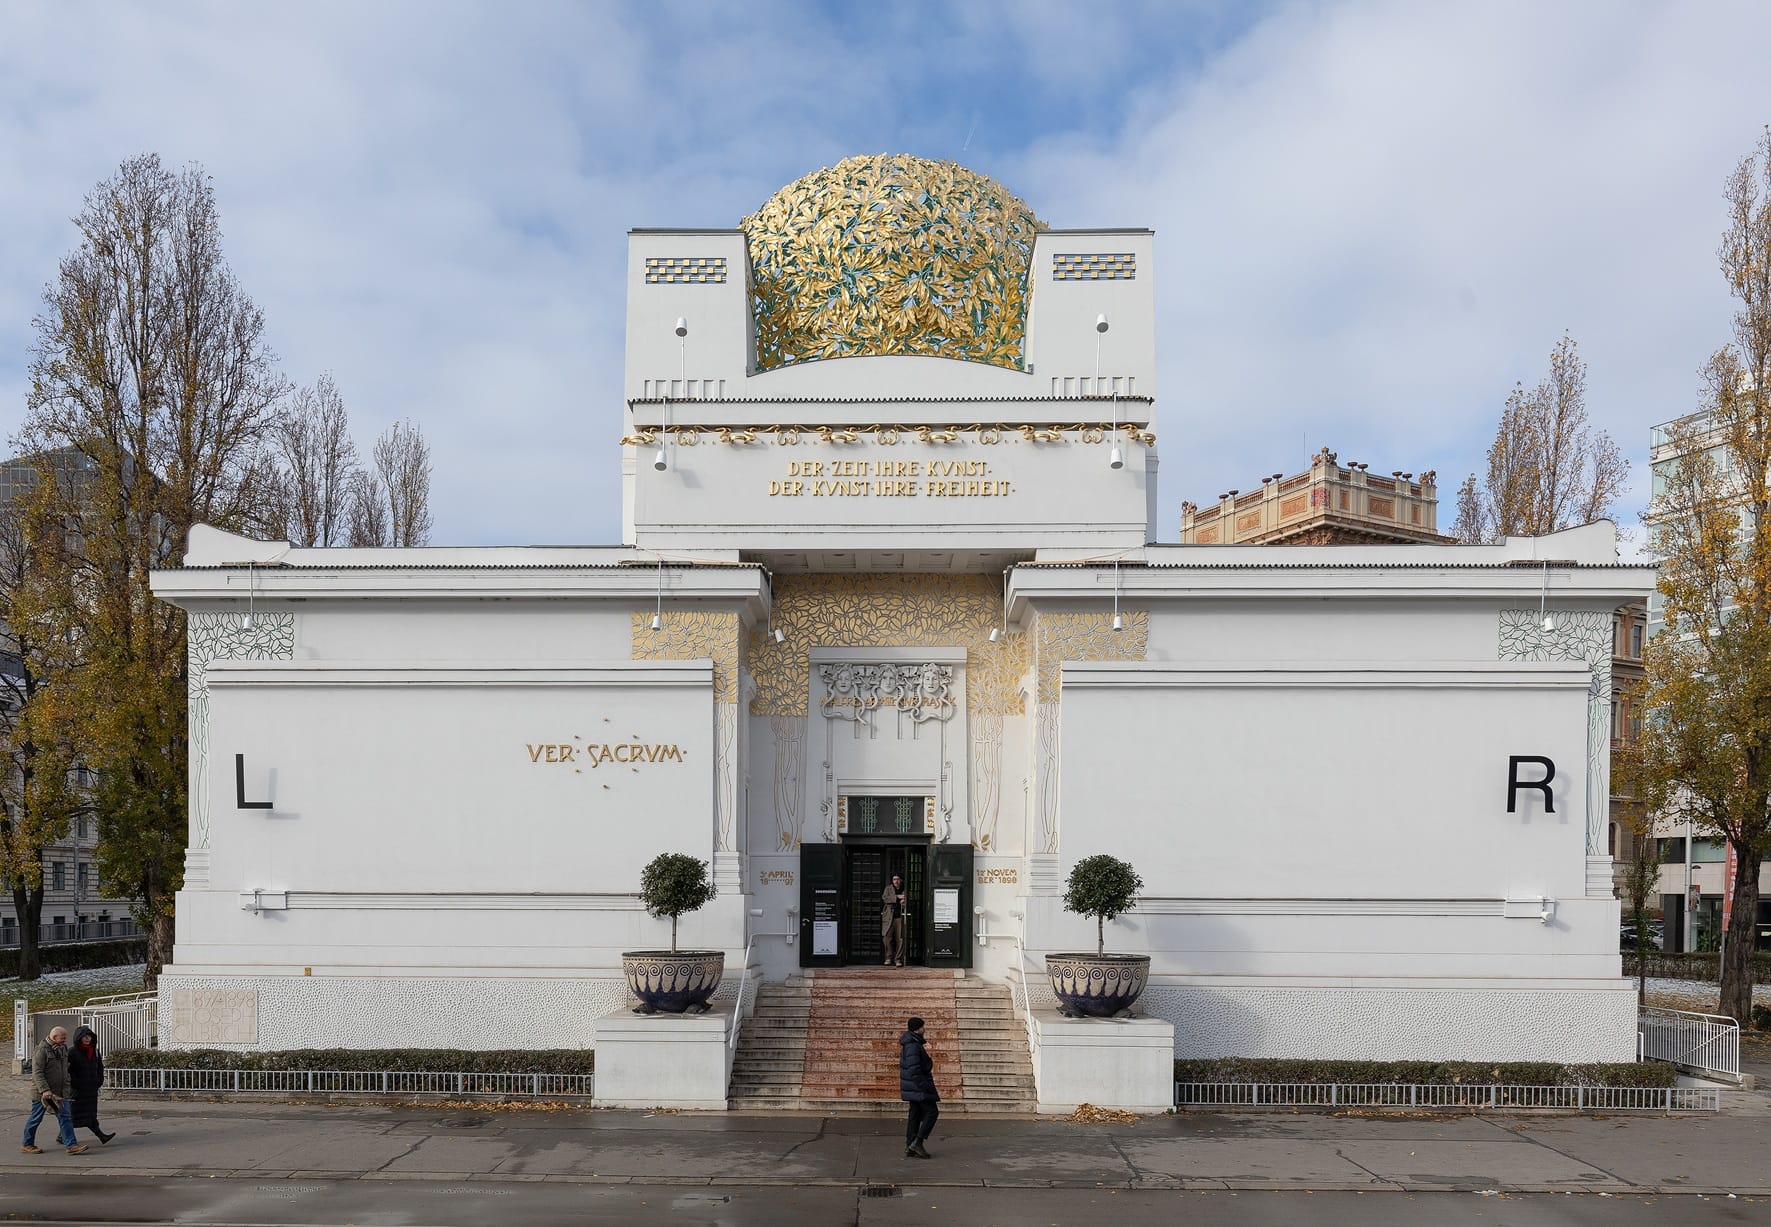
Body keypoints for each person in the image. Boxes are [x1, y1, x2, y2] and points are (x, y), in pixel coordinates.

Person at [22, 1025, 87, 1155]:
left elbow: (64, 1070)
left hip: (59, 1094)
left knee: (65, 1117)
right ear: (54, 1037)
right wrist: (45, 1090)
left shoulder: (62, 1048)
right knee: (36, 1118)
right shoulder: (41, 1050)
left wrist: (66, 1087)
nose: (65, 1040)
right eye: (62, 1038)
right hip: (44, 1095)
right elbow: (37, 1073)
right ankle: (27, 1144)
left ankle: (71, 1145)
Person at [898, 1015, 938, 1159]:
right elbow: (914, 1069)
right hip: (918, 1087)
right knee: (932, 1112)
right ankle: (918, 1142)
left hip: (913, 1087)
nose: (924, 1028)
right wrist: (923, 1086)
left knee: (914, 1115)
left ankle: (910, 1145)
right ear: (917, 1029)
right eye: (922, 1026)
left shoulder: (912, 1042)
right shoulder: (913, 1045)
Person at [68, 1025, 115, 1145]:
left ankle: (101, 1136)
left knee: (90, 1115)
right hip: (77, 1090)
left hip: (91, 1090)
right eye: (84, 1036)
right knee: (74, 1116)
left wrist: (99, 1080)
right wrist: (75, 1083)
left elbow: (99, 1067)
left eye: (89, 1036)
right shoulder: (72, 1052)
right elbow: (68, 1071)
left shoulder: (94, 1051)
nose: (87, 1039)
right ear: (79, 1038)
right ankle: (64, 1136)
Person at [881, 873, 906, 967]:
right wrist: (897, 897)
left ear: (901, 880)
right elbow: (884, 898)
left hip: (900, 917)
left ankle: (898, 959)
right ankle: (888, 958)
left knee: (900, 939)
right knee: (886, 937)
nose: (896, 881)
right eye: (894, 879)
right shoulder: (888, 889)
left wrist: (905, 902)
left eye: (898, 879)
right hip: (889, 918)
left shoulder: (904, 889)